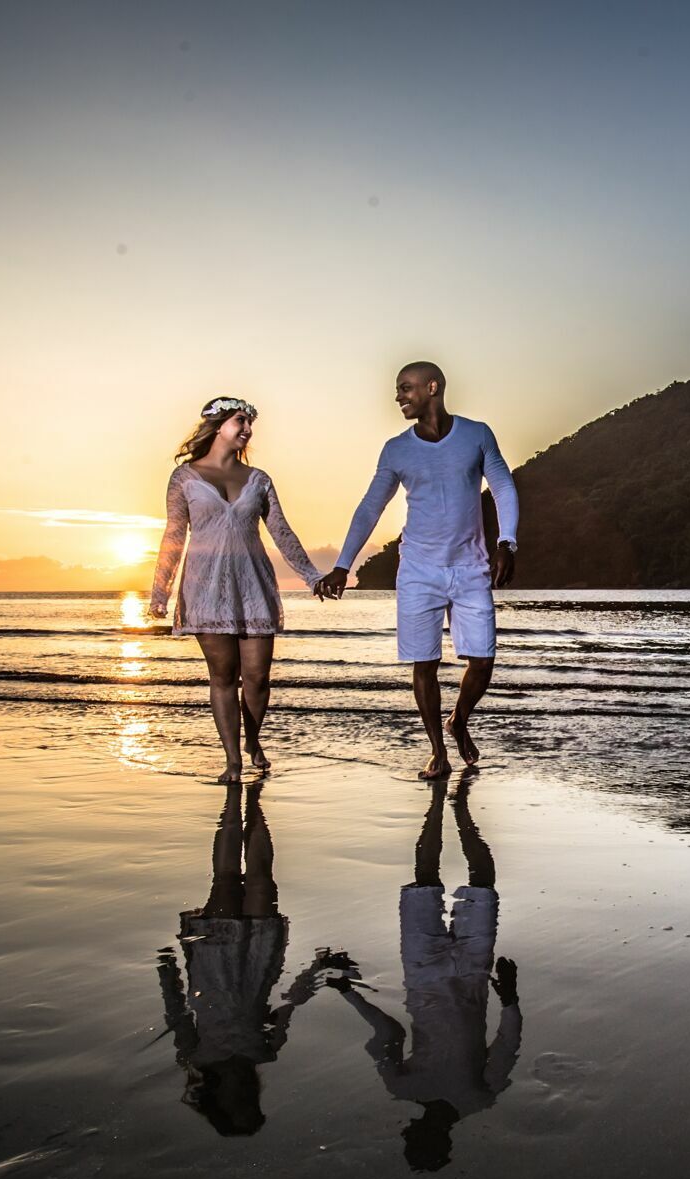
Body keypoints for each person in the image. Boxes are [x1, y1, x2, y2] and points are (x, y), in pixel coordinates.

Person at [315, 363, 517, 779]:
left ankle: (458, 720)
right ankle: (438, 752)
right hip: (418, 571)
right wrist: (342, 565)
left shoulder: (477, 434)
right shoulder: (396, 449)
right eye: (397, 389)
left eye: (405, 388)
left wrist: (506, 542)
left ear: (433, 387)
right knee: (423, 663)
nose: (398, 396)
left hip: (471, 566)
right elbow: (372, 506)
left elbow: (502, 486)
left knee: (482, 660)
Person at [323, 774, 521, 1170]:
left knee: (424, 880)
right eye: (415, 1139)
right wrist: (511, 998)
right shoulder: (479, 1098)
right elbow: (505, 1044)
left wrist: (351, 994)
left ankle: (435, 808)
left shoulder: (403, 1087)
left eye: (410, 1138)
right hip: (467, 976)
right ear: (441, 1143)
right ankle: (461, 812)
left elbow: (387, 1033)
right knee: (482, 884)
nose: (409, 1131)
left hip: (426, 972)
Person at [150, 396, 328, 783]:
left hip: (254, 585)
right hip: (205, 588)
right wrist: (160, 592)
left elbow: (281, 532)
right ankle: (232, 760)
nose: (247, 429)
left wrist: (312, 576)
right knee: (223, 677)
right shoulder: (184, 477)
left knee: (259, 678)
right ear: (217, 426)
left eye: (249, 423)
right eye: (240, 421)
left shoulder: (259, 479)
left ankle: (253, 740)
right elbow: (174, 534)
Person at [155, 783, 322, 1136]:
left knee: (227, 880)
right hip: (259, 963)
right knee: (261, 881)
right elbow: (291, 1003)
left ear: (219, 1104)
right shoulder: (265, 1053)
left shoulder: (194, 1058)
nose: (247, 1098)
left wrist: (166, 971)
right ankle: (256, 803)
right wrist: (317, 968)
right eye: (252, 1105)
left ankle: (233, 802)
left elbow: (177, 1014)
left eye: (240, 1106)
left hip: (213, 963)